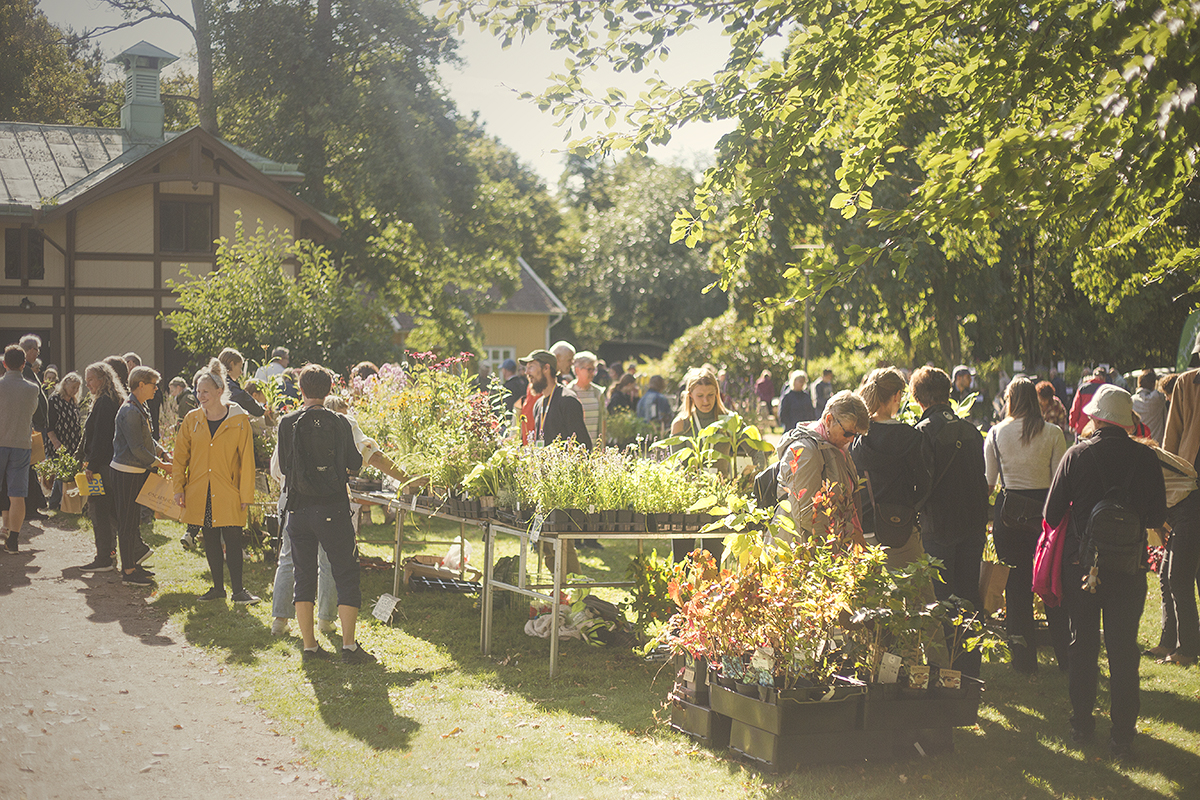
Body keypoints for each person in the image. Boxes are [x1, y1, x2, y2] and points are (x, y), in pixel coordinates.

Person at [1044, 385, 1166, 760]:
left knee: (1082, 645)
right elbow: (1157, 518)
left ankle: (1081, 726)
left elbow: (1050, 515)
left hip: (1084, 568)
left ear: (1095, 418)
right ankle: (1122, 736)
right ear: (1127, 421)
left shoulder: (1075, 455)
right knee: (1124, 650)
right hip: (1128, 570)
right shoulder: (1146, 460)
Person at [277, 365, 374, 664]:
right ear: (330, 389)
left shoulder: (287, 422)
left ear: (301, 390)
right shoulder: (341, 423)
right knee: (345, 573)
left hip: (299, 509)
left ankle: (309, 646)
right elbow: (354, 463)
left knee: (303, 575)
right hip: (333, 507)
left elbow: (283, 467)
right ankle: (348, 646)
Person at [984, 377, 1069, 675]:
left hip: (1009, 514)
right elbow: (1061, 479)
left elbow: (990, 483)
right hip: (1046, 515)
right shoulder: (1053, 433)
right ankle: (1064, 656)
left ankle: (1023, 661)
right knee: (1052, 584)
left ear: (1010, 399)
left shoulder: (995, 433)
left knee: (1016, 588)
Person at [912, 366, 989, 677]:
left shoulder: (923, 433)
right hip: (971, 525)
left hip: (938, 527)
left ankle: (944, 670)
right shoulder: (971, 431)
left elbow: (920, 484)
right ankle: (970, 669)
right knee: (970, 597)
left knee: (941, 602)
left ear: (917, 397)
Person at [171, 360, 259, 604]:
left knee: (232, 539)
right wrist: (178, 488)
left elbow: (247, 461)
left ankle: (239, 590)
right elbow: (180, 458)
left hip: (229, 490)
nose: (200, 396)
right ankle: (218, 588)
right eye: (198, 391)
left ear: (220, 392)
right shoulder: (191, 419)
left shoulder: (239, 419)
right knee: (209, 538)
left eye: (205, 392)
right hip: (201, 489)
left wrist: (246, 495)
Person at [848, 367, 932, 567]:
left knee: (870, 594)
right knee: (920, 594)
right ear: (896, 396)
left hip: (865, 526)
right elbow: (924, 484)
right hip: (901, 527)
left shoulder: (857, 438)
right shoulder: (911, 437)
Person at [776, 390, 869, 545]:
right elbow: (806, 515)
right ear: (828, 419)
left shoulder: (838, 447)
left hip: (830, 548)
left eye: (856, 435)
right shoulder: (806, 451)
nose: (851, 440)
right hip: (805, 554)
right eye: (847, 433)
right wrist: (849, 535)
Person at [1140, 437, 1200, 668]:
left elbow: (1146, 495)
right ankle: (1168, 642)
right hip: (1180, 511)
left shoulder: (1142, 456)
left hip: (1189, 509)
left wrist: (1156, 523)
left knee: (1179, 580)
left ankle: (1187, 650)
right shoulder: (1145, 452)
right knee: (1166, 577)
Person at [110, 366, 170, 585]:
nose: (156, 389)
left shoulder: (139, 407)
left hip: (135, 472)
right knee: (126, 523)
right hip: (126, 473)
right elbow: (137, 449)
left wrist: (162, 451)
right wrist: (162, 464)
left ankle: (133, 565)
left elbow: (147, 439)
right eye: (154, 385)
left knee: (133, 521)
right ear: (141, 384)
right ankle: (127, 572)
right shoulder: (130, 411)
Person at [670, 368, 731, 562]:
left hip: (717, 497)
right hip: (687, 497)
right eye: (700, 396)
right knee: (682, 559)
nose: (706, 401)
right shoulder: (681, 424)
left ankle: (711, 593)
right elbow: (677, 464)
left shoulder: (728, 421)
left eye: (711, 395)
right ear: (690, 396)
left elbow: (750, 453)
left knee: (713, 559)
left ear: (718, 394)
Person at [76, 362, 125, 571]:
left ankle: (104, 556)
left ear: (103, 379)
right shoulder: (113, 400)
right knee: (111, 511)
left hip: (102, 466)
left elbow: (101, 437)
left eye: (91, 379)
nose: (87, 384)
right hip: (110, 464)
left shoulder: (104, 402)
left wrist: (92, 464)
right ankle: (111, 553)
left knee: (99, 511)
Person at [0, 345, 40, 554]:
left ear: (4, 363)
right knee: (17, 494)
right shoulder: (33, 388)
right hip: (21, 443)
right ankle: (13, 538)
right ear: (24, 364)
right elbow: (33, 411)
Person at [19, 335, 49, 520]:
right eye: (36, 350)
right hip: (28, 426)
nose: (37, 353)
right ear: (30, 351)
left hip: (31, 424)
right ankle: (32, 507)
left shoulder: (28, 370)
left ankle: (33, 505)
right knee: (29, 466)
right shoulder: (25, 371)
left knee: (30, 466)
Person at [45, 371, 84, 510]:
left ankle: (61, 503)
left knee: (66, 473)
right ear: (65, 385)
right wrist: (56, 443)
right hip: (59, 441)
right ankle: (55, 503)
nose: (75, 390)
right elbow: (49, 425)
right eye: (73, 387)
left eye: (77, 388)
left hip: (73, 442)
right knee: (62, 473)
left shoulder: (73, 401)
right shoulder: (54, 400)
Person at [566, 351, 607, 449]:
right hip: (575, 451)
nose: (592, 373)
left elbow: (603, 423)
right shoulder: (568, 392)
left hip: (594, 450)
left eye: (594, 369)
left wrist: (602, 448)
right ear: (577, 370)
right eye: (589, 369)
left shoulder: (598, 392)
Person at [217, 348, 267, 417]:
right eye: (240, 367)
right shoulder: (227, 383)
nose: (241, 372)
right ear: (231, 364)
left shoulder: (215, 379)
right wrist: (261, 411)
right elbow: (242, 398)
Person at [1132, 368, 1167, 445]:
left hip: (1138, 443)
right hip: (1156, 444)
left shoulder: (1132, 400)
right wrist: (1157, 378)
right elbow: (1164, 388)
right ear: (1153, 384)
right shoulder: (1158, 398)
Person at [1069, 367, 1108, 435]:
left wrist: (1072, 424)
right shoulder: (1107, 390)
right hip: (1100, 428)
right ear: (1104, 377)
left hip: (1083, 427)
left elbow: (1075, 408)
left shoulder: (1083, 388)